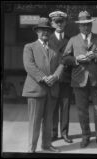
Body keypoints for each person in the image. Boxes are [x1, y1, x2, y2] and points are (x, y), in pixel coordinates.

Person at [61, 11, 97, 148]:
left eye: (88, 24)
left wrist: (95, 56)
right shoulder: (73, 40)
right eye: (83, 25)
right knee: (82, 110)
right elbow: (64, 58)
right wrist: (76, 59)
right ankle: (85, 136)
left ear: (91, 25)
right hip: (79, 80)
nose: (86, 27)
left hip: (96, 79)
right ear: (79, 27)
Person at [22, 17, 63, 153]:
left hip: (52, 89)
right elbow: (29, 66)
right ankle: (31, 148)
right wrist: (44, 78)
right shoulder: (29, 47)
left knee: (49, 121)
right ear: (37, 32)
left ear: (50, 32)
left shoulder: (55, 48)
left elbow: (61, 65)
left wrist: (56, 76)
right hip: (36, 89)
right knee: (34, 121)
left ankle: (46, 145)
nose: (45, 32)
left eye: (47, 30)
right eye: (42, 30)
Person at [48, 10, 73, 143]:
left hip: (66, 78)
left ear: (65, 23)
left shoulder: (71, 39)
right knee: (52, 106)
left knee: (65, 106)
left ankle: (64, 133)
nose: (59, 24)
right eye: (56, 22)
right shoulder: (48, 38)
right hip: (52, 78)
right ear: (52, 23)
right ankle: (53, 133)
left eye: (61, 21)